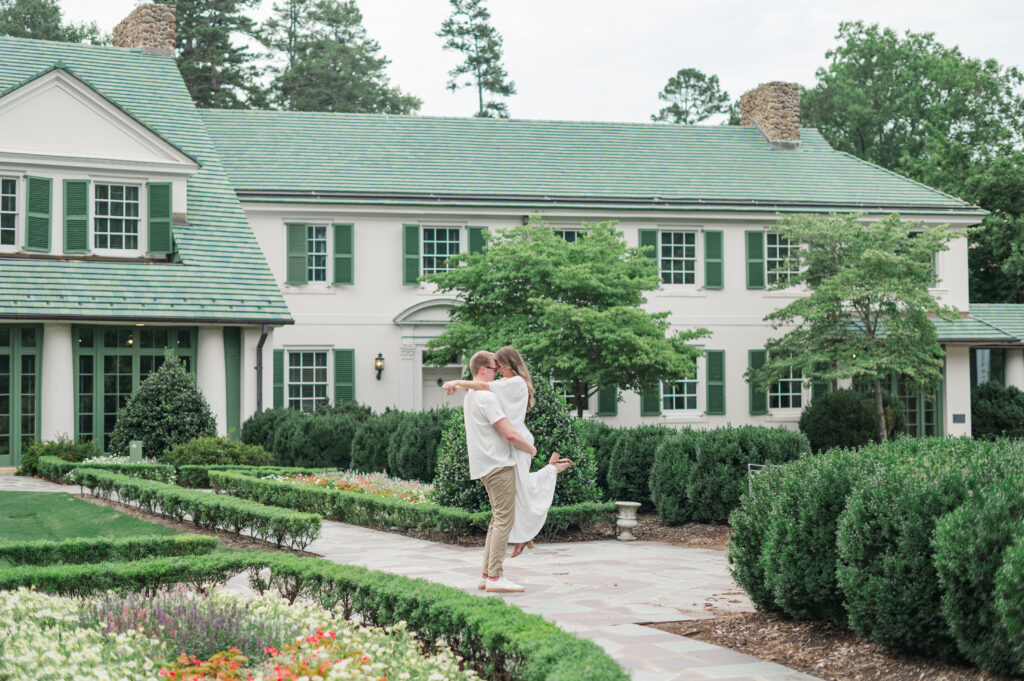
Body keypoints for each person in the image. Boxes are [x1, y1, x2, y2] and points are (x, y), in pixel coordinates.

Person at [444, 346, 573, 560]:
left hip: (520, 443)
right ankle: (526, 536)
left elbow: (483, 384)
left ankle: (525, 535)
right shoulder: (507, 384)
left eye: (500, 367)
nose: (498, 372)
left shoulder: (515, 382)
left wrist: (458, 384)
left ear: (509, 365)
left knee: (523, 489)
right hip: (517, 444)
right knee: (521, 490)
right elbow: (484, 385)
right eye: (496, 368)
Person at [461, 350, 536, 593]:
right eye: (495, 369)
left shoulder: (473, 395)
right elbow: (510, 434)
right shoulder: (487, 397)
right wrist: (530, 448)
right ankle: (495, 577)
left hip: (484, 464)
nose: (499, 374)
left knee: (497, 519)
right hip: (498, 463)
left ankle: (486, 575)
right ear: (483, 369)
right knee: (504, 519)